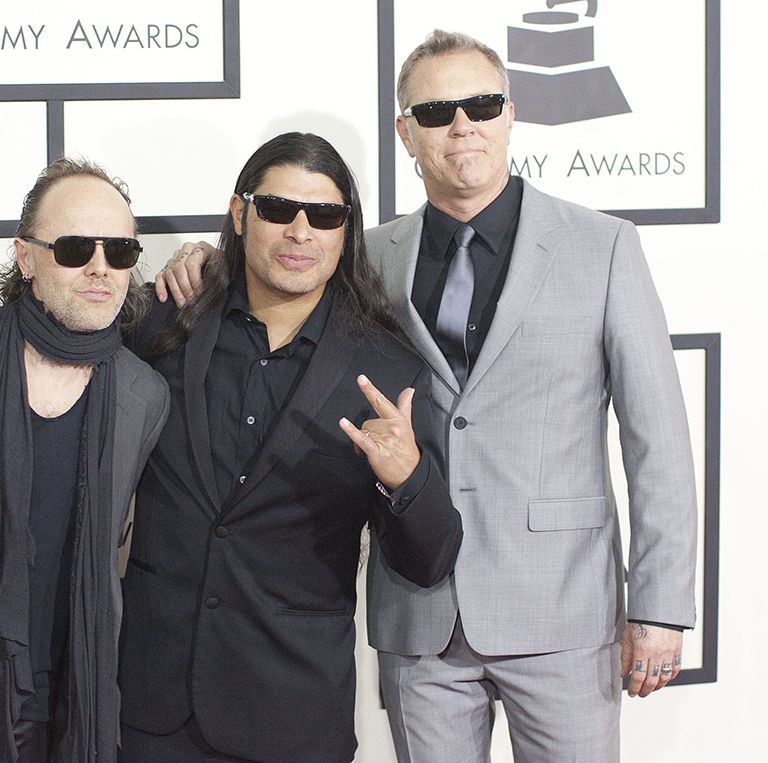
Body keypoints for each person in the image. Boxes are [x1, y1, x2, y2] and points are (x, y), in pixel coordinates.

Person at [159, 30, 698, 763]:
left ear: (511, 113)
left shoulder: (602, 247)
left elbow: (657, 439)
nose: (461, 125)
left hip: (563, 613)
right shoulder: (366, 254)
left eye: (480, 104)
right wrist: (199, 261)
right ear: (405, 132)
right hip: (420, 617)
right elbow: (272, 271)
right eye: (437, 109)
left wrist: (661, 608)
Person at [0, 132, 464, 761]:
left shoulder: (387, 367)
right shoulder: (162, 322)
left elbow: (429, 560)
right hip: (149, 710)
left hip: (291, 717)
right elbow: (62, 324)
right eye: (277, 210)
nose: (301, 232)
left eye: (324, 215)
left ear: (346, 230)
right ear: (240, 214)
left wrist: (405, 481)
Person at [0, 159, 169, 762]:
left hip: (36, 703)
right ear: (25, 257)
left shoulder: (141, 396)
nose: (101, 268)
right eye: (76, 248)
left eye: (121, 250)